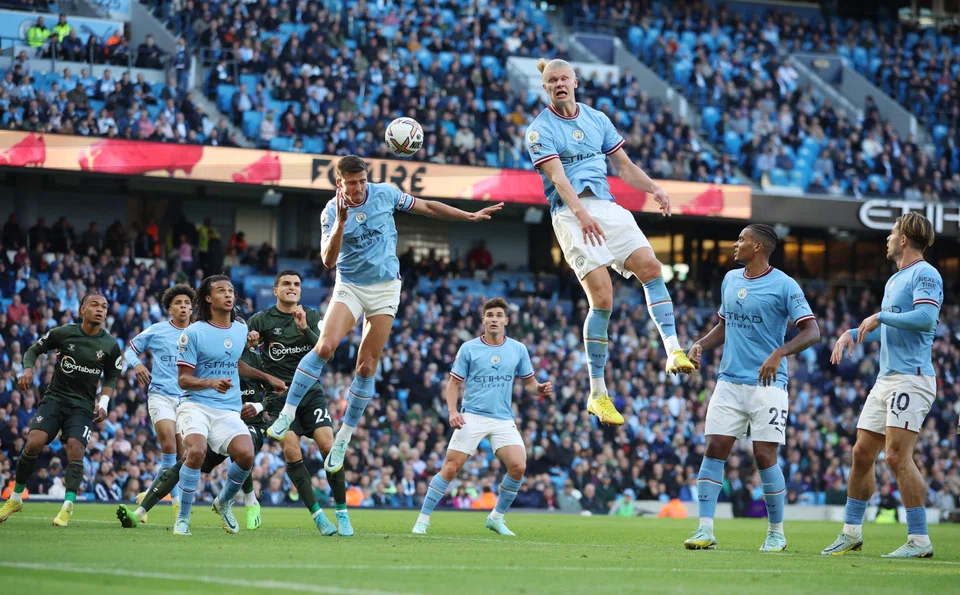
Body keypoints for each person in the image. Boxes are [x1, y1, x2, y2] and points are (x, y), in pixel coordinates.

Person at [264, 155, 502, 487]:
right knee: (325, 347)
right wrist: (341, 223)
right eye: (352, 183)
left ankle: (343, 438)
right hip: (350, 286)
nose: (359, 188)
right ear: (340, 183)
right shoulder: (331, 212)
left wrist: (468, 215)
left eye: (362, 181)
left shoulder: (385, 193)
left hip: (386, 288)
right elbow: (328, 260)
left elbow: (427, 208)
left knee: (366, 366)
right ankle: (287, 414)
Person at [524, 58, 694, 427]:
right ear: (545, 87)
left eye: (564, 78)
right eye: (552, 81)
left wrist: (654, 188)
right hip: (570, 213)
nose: (559, 84)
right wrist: (581, 215)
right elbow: (559, 180)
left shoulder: (597, 119)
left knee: (652, 267)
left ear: (575, 82)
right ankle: (597, 393)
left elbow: (624, 166)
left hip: (606, 206)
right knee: (602, 297)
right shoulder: (539, 130)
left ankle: (673, 350)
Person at [683, 224, 820, 552]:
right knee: (714, 448)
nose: (736, 244)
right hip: (729, 381)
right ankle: (705, 529)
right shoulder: (730, 279)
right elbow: (724, 326)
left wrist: (779, 353)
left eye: (742, 239)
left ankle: (776, 533)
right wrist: (701, 344)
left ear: (758, 246)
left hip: (768, 384)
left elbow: (812, 331)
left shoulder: (784, 285)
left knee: (764, 455)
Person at [822, 213, 942, 559]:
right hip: (887, 378)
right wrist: (853, 332)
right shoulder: (895, 280)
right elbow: (888, 326)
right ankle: (851, 533)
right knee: (861, 454)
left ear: (904, 239)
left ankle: (919, 539)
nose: (887, 238)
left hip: (912, 378)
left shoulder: (925, 273)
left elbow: (925, 319)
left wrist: (881, 316)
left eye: (892, 233)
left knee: (896, 456)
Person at [116, 308, 284, 531]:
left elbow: (277, 391)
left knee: (245, 449)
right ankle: (141, 512)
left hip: (248, 421)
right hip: (211, 412)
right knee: (190, 458)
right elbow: (191, 376)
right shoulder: (209, 348)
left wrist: (259, 405)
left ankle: (246, 499)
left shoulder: (255, 358)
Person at [411, 298, 553, 535]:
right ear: (484, 320)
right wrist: (453, 411)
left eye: (499, 315)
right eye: (490, 315)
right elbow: (453, 384)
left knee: (518, 466)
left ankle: (496, 518)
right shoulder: (469, 348)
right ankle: (422, 520)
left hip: (503, 418)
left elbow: (529, 383)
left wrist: (538, 389)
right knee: (451, 468)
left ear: (506, 321)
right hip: (472, 416)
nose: (494, 319)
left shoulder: (518, 349)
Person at [0, 292, 122, 526]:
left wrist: (104, 402)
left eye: (104, 306)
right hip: (55, 399)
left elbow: (111, 378)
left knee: (76, 448)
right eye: (94, 305)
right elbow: (33, 350)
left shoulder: (110, 345)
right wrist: (27, 369)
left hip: (82, 406)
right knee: (33, 443)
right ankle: (15, 498)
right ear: (82, 310)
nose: (100, 310)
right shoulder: (63, 333)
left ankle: (67, 506)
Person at [246, 270, 348, 536]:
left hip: (310, 393)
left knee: (329, 447)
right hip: (279, 397)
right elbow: (242, 355)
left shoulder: (311, 316)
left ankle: (342, 513)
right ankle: (318, 516)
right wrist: (250, 343)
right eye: (286, 284)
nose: (292, 287)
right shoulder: (260, 320)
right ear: (275, 290)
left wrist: (304, 328)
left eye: (296, 284)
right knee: (292, 451)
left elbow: (327, 355)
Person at [171, 275, 264, 536]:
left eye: (231, 290)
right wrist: (211, 383)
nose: (228, 294)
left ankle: (223, 502)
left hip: (227, 409)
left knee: (246, 454)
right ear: (208, 298)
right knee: (197, 452)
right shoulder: (193, 333)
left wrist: (252, 345)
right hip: (196, 405)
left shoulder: (241, 329)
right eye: (221, 290)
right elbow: (183, 380)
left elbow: (236, 360)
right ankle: (183, 518)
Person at [124, 284, 195, 517]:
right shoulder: (157, 330)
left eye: (187, 303)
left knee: (181, 458)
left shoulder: (198, 333)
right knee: (168, 448)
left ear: (192, 308)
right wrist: (137, 364)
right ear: (170, 309)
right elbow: (129, 350)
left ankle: (148, 494)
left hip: (187, 400)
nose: (183, 307)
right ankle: (175, 503)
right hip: (161, 395)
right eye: (178, 303)